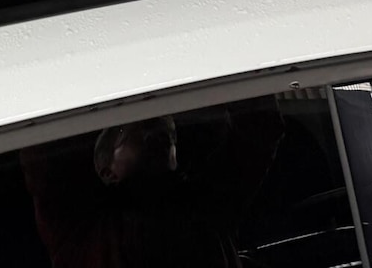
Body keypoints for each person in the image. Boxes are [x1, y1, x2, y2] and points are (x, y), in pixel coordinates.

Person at [21, 97, 285, 268]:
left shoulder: (207, 206)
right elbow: (259, 131)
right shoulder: (81, 232)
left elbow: (259, 131)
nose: (158, 128)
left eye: (168, 133)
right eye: (137, 127)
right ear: (106, 170)